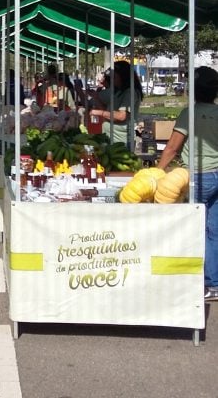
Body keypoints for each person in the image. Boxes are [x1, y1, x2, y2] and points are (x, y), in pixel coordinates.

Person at [157, 67, 218, 300]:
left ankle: (191, 279)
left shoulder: (188, 114)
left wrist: (157, 172)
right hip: (217, 174)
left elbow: (172, 148)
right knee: (214, 231)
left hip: (199, 176)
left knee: (193, 227)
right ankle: (213, 283)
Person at [89, 60, 143, 145]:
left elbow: (121, 116)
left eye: (114, 77)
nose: (112, 79)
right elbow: (109, 112)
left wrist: (100, 113)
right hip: (110, 138)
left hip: (121, 141)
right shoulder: (118, 91)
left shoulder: (130, 92)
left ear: (122, 76)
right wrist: (96, 99)